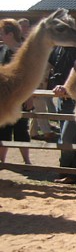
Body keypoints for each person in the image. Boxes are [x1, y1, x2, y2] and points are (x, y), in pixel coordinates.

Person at [48, 20, 76, 183]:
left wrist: (66, 86)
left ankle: (72, 174)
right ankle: (67, 173)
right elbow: (49, 66)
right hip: (62, 98)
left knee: (68, 137)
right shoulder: (58, 48)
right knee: (68, 136)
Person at [0, 18, 32, 164]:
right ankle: (2, 161)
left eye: (2, 33)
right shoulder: (2, 50)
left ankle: (26, 160)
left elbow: (30, 76)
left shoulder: (23, 52)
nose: (0, 36)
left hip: (20, 96)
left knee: (21, 129)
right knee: (3, 129)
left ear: (10, 34)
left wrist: (30, 96)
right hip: (4, 98)